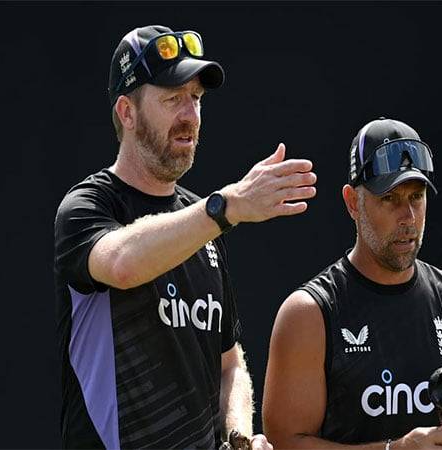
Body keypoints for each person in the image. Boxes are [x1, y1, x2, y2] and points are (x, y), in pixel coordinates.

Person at [53, 25, 316, 449]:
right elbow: (122, 264)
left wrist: (239, 436)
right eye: (172, 98)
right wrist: (225, 207)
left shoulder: (205, 222)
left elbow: (230, 365)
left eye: (196, 98)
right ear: (127, 111)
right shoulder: (88, 206)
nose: (190, 116)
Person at [262, 118, 442, 449]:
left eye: (417, 196)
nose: (408, 218)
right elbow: (285, 445)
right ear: (352, 202)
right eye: (390, 199)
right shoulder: (308, 314)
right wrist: (394, 449)